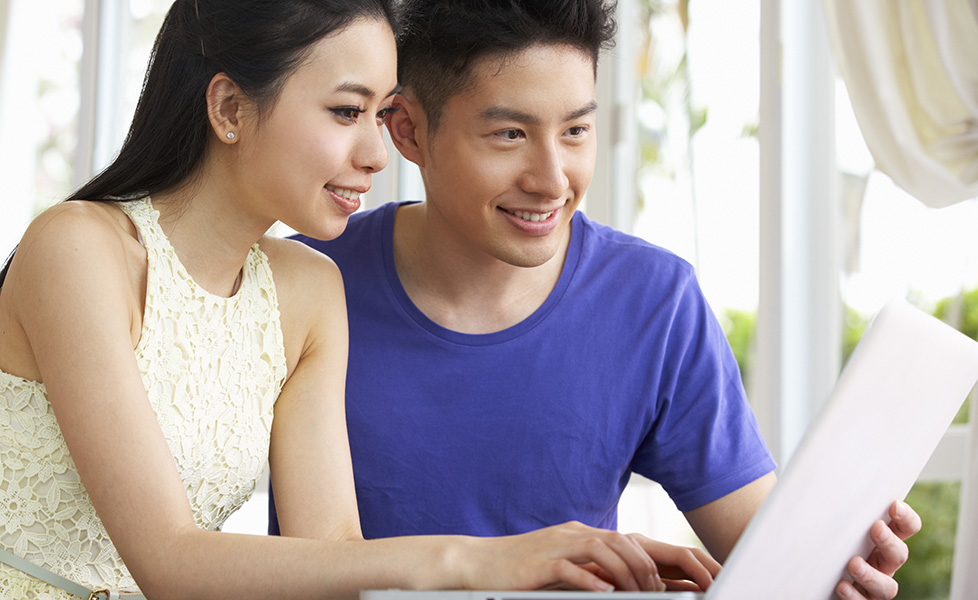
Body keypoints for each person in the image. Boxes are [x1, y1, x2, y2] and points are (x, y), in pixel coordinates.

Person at [0, 1, 709, 598]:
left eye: (381, 114)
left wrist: (542, 577)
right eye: (347, 111)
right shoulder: (79, 249)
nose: (378, 152)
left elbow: (334, 554)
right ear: (228, 108)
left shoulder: (309, 288)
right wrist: (482, 558)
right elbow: (169, 560)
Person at [269, 0, 921, 597]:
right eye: (510, 135)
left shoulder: (654, 304)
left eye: (576, 131)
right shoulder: (301, 281)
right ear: (407, 131)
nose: (553, 180)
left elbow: (773, 565)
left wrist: (833, 573)